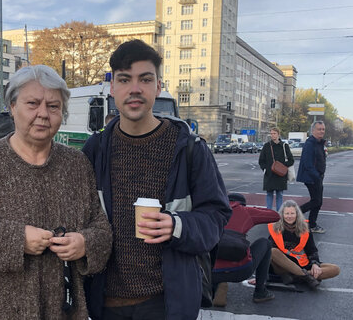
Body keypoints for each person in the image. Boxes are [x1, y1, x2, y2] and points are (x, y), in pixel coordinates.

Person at [0, 65, 112, 319]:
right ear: (12, 107)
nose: (43, 114)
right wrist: (17, 240)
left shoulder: (76, 165)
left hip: (59, 310)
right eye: (33, 103)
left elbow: (101, 230)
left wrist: (86, 244)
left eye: (53, 106)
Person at [82, 39, 231, 320]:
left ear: (158, 86)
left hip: (166, 303)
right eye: (124, 79)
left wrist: (177, 225)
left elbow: (217, 216)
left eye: (145, 79)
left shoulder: (190, 149)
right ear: (113, 88)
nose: (135, 88)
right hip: (106, 303)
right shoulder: (95, 149)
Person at [212, 193, 279, 307]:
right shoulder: (245, 211)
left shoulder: (213, 210)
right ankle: (260, 292)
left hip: (211, 272)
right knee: (265, 243)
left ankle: (213, 288)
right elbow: (275, 216)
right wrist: (252, 209)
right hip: (240, 271)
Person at [268, 200, 340, 290]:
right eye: (287, 213)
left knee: (335, 269)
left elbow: (312, 249)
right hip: (283, 267)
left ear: (297, 214)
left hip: (302, 264)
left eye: (292, 213)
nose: (289, 216)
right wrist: (260, 277)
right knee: (272, 251)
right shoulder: (275, 227)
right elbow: (268, 253)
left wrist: (315, 264)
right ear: (282, 215)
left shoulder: (305, 227)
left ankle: (295, 277)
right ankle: (305, 277)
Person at [297, 121, 327, 234]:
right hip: (312, 177)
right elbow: (307, 163)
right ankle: (294, 213)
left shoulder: (319, 143)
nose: (321, 131)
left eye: (323, 129)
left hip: (318, 176)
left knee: (318, 202)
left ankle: (312, 224)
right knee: (316, 201)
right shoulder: (310, 144)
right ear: (313, 130)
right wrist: (317, 176)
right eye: (319, 129)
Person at [258, 127, 294, 211]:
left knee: (280, 194)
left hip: (280, 175)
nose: (272, 135)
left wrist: (282, 166)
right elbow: (261, 160)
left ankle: (279, 214)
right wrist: (265, 169)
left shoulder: (284, 146)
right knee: (269, 194)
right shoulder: (267, 146)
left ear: (278, 134)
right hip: (269, 174)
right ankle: (269, 213)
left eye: (274, 133)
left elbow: (291, 160)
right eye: (271, 133)